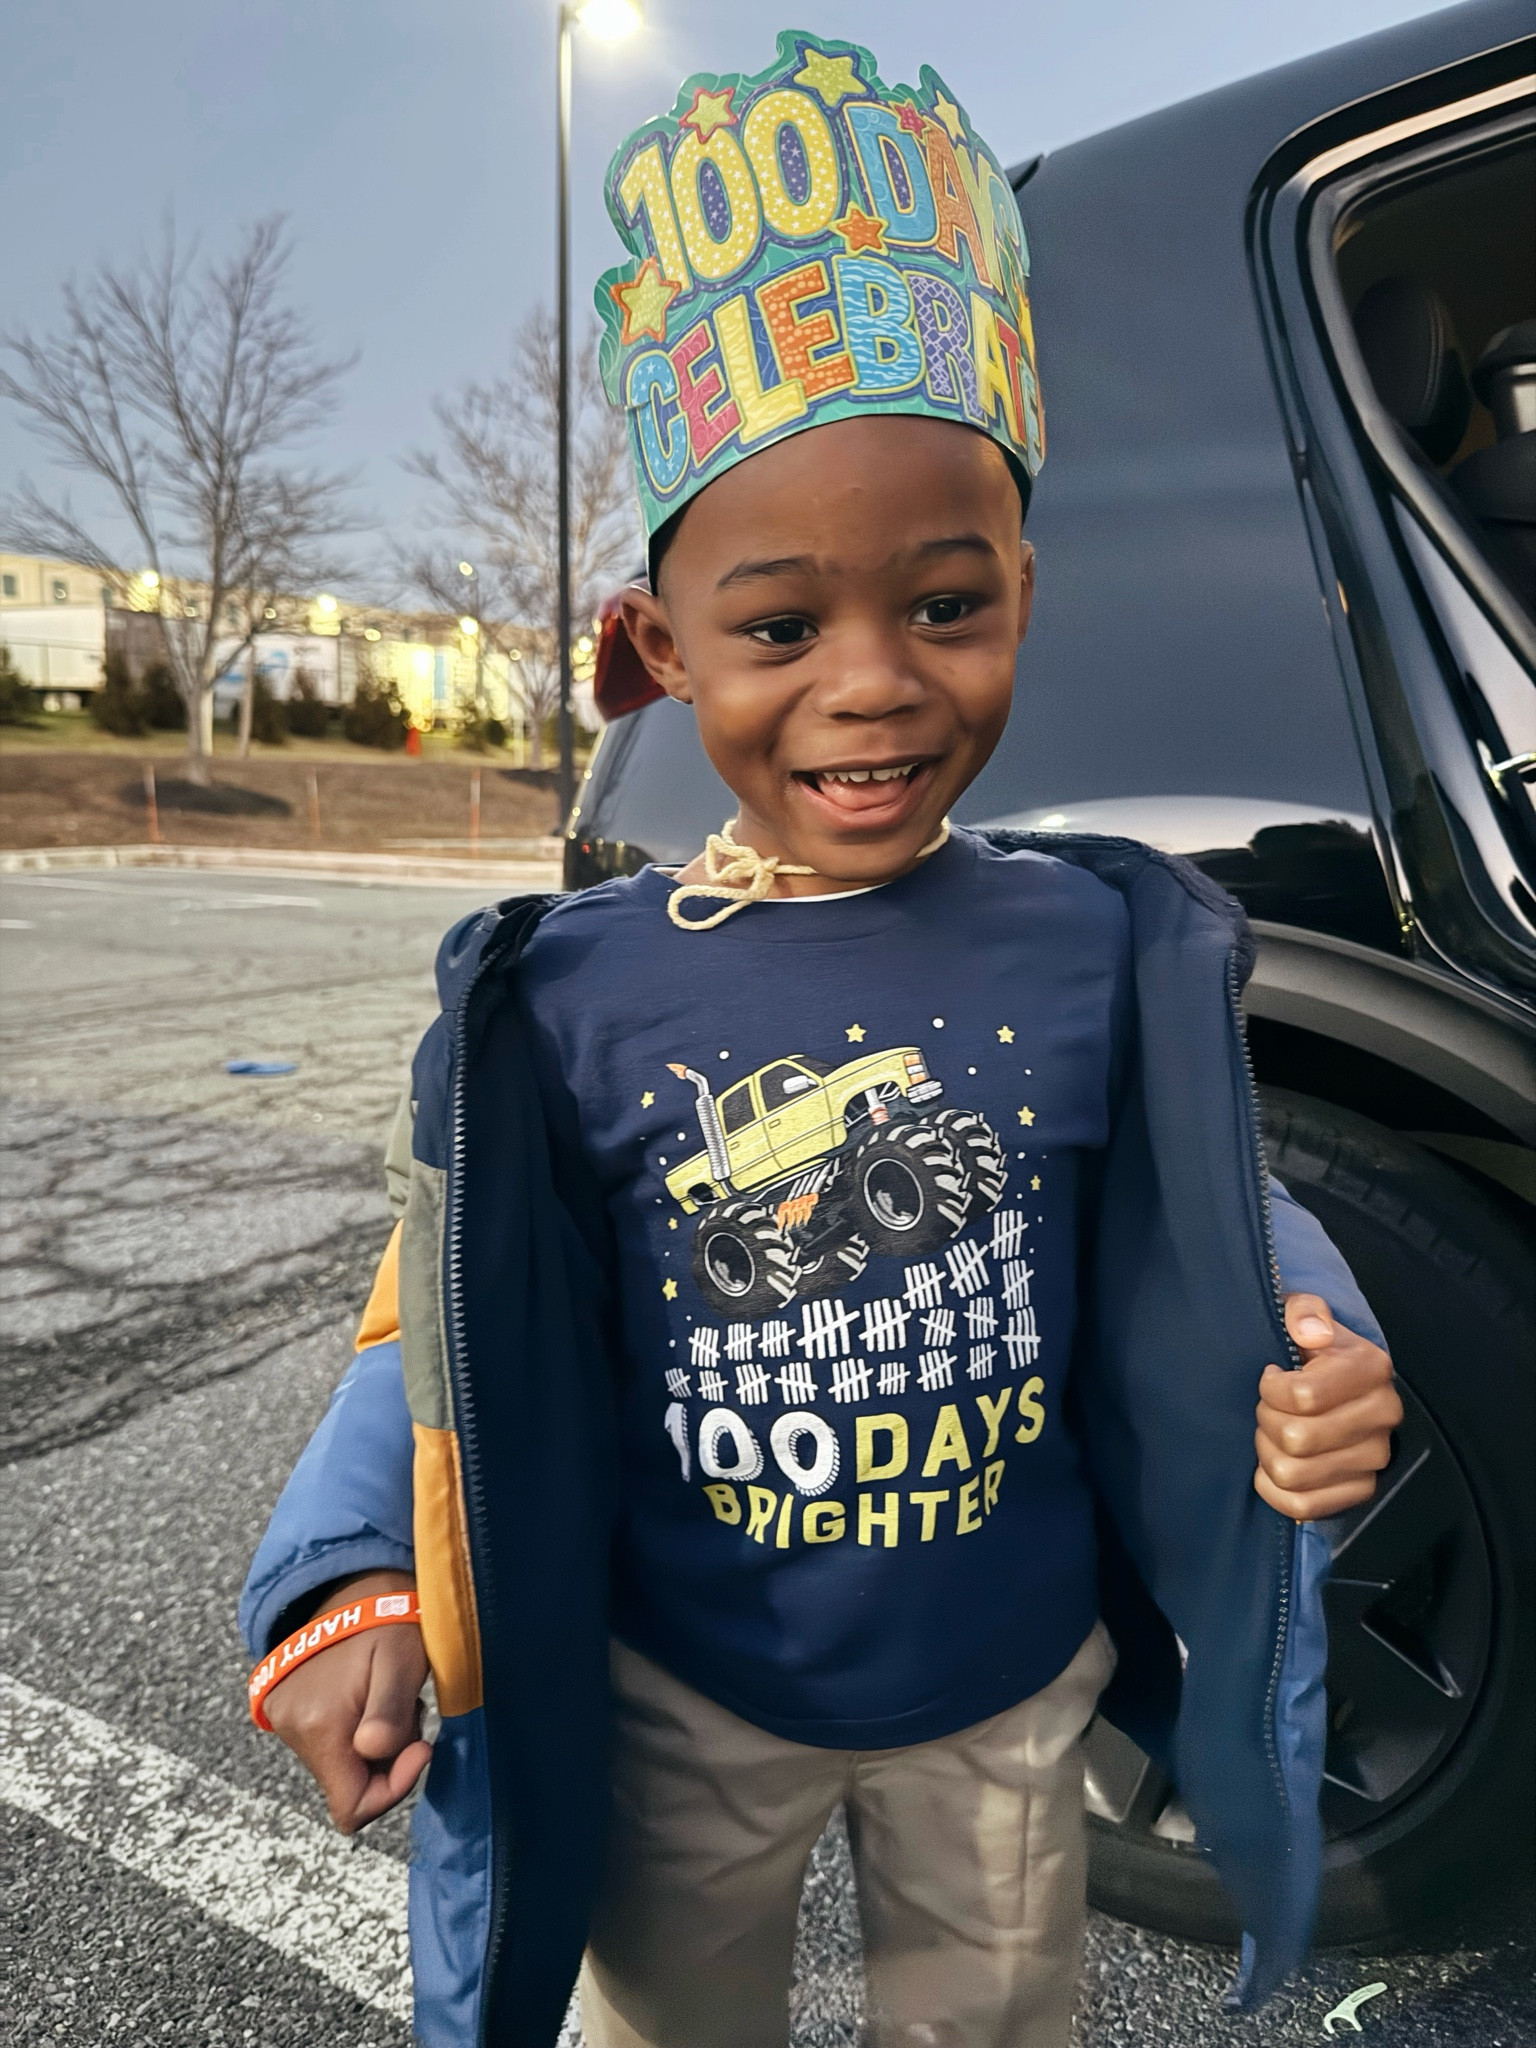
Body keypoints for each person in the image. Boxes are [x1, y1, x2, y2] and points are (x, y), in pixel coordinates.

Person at [240, 32, 1402, 2048]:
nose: (871, 687)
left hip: (1006, 1691)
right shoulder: (582, 994)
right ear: (654, 651)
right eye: (780, 630)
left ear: (1029, 591)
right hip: (684, 1693)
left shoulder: (1087, 940)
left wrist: (1320, 1340)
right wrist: (350, 1581)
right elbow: (438, 1317)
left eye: (946, 606)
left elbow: (1216, 1200)